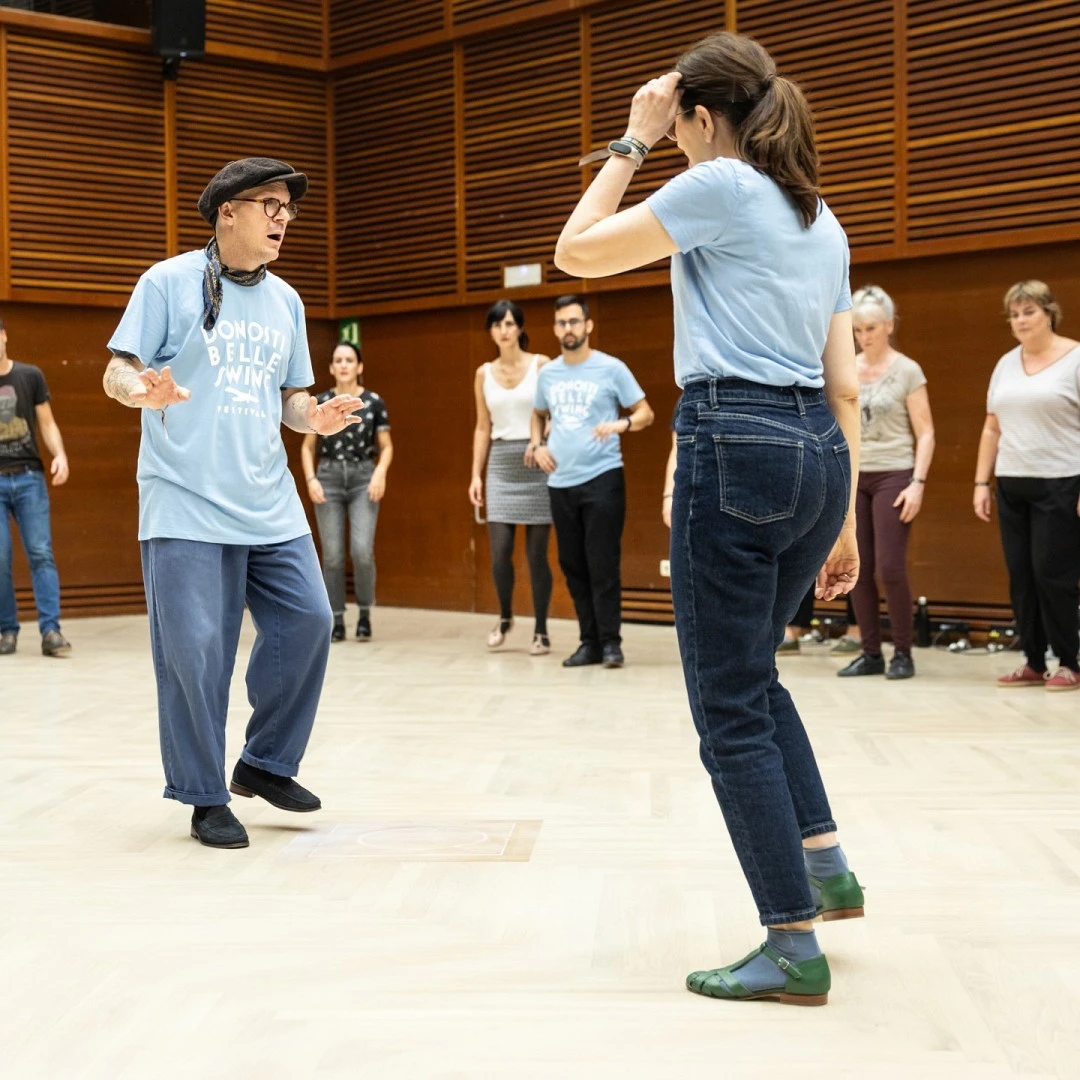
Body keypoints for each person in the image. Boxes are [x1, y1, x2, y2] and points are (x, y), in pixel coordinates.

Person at [555, 32, 863, 1005]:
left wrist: (631, 142)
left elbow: (574, 252)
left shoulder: (722, 185)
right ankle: (824, 863)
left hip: (738, 441)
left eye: (678, 121)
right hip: (817, 451)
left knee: (725, 706)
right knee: (754, 674)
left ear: (699, 116)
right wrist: (845, 519)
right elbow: (845, 383)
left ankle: (790, 940)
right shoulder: (821, 218)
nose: (674, 137)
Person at [103, 157, 364, 849]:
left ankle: (265, 762)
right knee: (194, 650)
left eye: (288, 209)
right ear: (227, 212)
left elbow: (291, 402)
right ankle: (203, 794)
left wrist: (317, 417)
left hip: (268, 500)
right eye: (270, 205)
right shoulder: (166, 283)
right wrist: (140, 392)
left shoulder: (288, 301)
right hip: (184, 497)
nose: (283, 218)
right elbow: (117, 368)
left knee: (309, 620)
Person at [532, 296, 654, 669]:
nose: (567, 329)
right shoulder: (548, 374)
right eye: (561, 323)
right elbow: (537, 414)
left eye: (574, 322)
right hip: (560, 483)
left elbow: (645, 413)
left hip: (603, 477)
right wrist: (536, 445)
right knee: (573, 564)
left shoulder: (611, 368)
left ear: (588, 326)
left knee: (602, 562)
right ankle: (589, 643)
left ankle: (611, 642)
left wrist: (622, 424)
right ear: (555, 329)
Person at [974, 280, 1080, 692]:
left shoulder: (1074, 358)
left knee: (1052, 573)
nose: (1020, 320)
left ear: (1049, 312)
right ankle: (1034, 661)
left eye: (1028, 311)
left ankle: (1069, 662)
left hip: (1062, 481)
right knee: (1021, 575)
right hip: (1012, 481)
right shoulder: (1005, 363)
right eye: (1014, 314)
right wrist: (983, 481)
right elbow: (991, 427)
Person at [837, 285, 935, 680]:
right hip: (855, 475)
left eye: (872, 328)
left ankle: (903, 652)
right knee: (857, 566)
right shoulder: (846, 368)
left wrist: (918, 483)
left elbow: (926, 432)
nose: (864, 336)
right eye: (858, 329)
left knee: (890, 567)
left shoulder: (907, 370)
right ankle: (870, 652)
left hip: (895, 472)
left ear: (889, 325)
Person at [469, 301, 554, 654]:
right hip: (501, 463)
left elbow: (552, 415)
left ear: (519, 327)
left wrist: (540, 442)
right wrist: (475, 475)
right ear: (491, 331)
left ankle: (541, 629)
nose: (503, 330)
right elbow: (482, 426)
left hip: (536, 459)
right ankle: (505, 617)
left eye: (509, 323)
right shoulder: (482, 373)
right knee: (500, 552)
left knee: (537, 555)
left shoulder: (542, 364)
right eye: (496, 324)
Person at [301, 341, 393, 642]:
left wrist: (380, 471)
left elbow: (387, 446)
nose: (343, 365)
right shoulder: (322, 401)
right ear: (331, 368)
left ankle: (365, 612)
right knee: (333, 555)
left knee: (362, 550)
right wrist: (311, 479)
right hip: (328, 477)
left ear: (359, 366)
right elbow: (307, 447)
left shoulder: (374, 402)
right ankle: (336, 618)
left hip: (362, 477)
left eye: (349, 360)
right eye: (338, 360)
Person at [0, 317, 71, 657]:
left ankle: (51, 631)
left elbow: (47, 422)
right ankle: (7, 630)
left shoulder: (29, 376)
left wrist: (60, 455)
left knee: (41, 553)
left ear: (3, 336)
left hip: (29, 477)